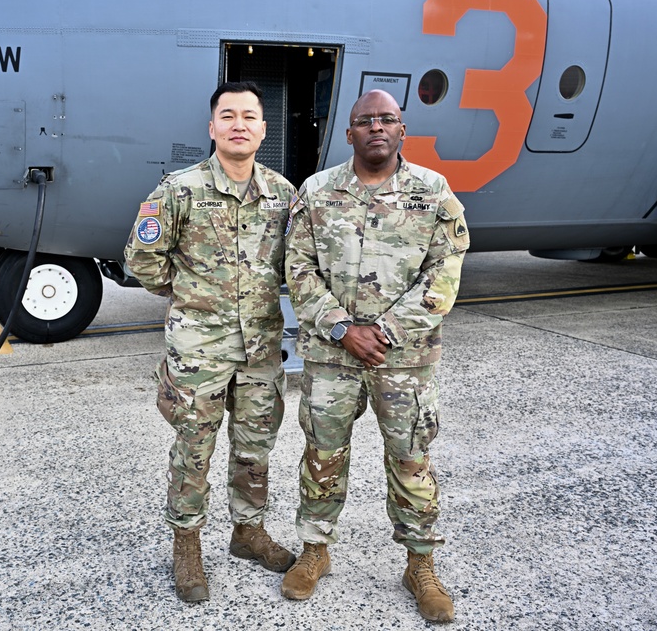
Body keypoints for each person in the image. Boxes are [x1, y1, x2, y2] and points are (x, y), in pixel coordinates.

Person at [281, 89, 470, 622]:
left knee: (411, 461)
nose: (377, 127)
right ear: (350, 133)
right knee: (322, 455)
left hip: (404, 360)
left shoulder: (433, 193)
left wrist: (383, 330)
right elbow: (297, 267)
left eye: (388, 119)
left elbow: (446, 271)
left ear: (402, 129)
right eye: (366, 120)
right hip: (331, 357)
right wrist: (342, 327)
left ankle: (420, 564)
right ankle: (315, 551)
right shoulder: (317, 192)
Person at [124, 81, 297, 603]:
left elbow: (299, 261)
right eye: (228, 116)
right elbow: (142, 260)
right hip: (199, 353)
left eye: (249, 116)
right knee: (193, 450)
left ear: (263, 129)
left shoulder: (284, 194)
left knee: (255, 448)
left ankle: (248, 533)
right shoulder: (179, 190)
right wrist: (190, 298)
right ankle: (187, 546)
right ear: (212, 128)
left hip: (262, 350)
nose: (238, 124)